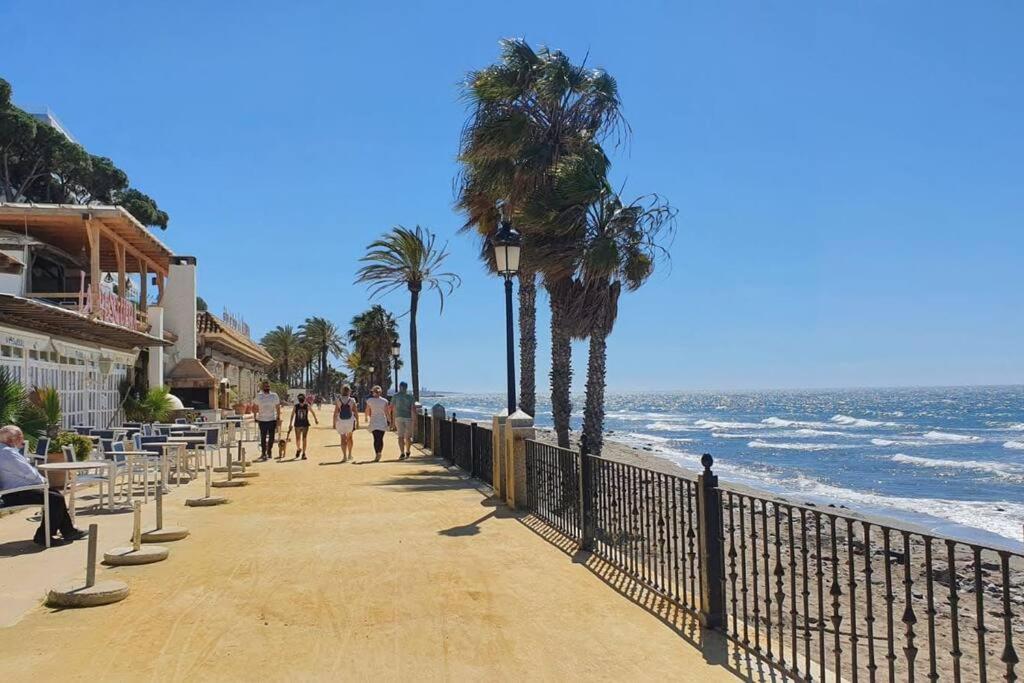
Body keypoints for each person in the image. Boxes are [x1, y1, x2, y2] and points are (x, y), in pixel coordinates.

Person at [0, 425, 86, 547]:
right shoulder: (7, 453)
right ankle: (44, 536)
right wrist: (43, 481)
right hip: (15, 493)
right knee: (55, 498)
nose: (22, 440)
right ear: (11, 439)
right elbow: (29, 473)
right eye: (20, 437)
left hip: (17, 490)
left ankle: (68, 531)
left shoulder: (6, 451)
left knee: (55, 494)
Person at [251, 380, 281, 461]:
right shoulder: (259, 396)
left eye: (268, 387)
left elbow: (278, 407)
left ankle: (269, 450)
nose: (267, 388)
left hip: (272, 419)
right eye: (265, 387)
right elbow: (254, 406)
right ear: (262, 387)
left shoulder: (274, 395)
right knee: (263, 437)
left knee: (272, 437)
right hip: (262, 419)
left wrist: (278, 417)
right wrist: (255, 416)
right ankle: (263, 453)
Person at [286, 392, 318, 460]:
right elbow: (292, 415)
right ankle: (299, 449)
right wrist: (290, 423)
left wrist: (315, 419)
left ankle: (303, 453)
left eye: (302, 398)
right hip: (298, 424)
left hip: (304, 424)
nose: (301, 399)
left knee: (304, 438)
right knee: (298, 439)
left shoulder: (306, 406)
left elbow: (312, 412)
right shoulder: (296, 406)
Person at [390, 381, 416, 460]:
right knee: (408, 437)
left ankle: (402, 453)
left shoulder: (395, 396)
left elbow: (392, 408)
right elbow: (413, 409)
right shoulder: (410, 397)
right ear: (406, 387)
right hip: (408, 418)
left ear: (399, 387)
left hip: (398, 418)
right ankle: (408, 451)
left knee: (400, 436)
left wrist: (392, 421)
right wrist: (415, 421)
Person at [365, 385, 391, 462]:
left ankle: (377, 453)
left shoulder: (369, 400)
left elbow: (367, 410)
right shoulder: (385, 401)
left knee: (375, 439)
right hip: (382, 421)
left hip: (374, 421)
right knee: (380, 438)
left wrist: (366, 417)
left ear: (373, 392)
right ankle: (379, 452)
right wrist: (390, 420)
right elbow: (386, 412)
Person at [333, 385, 359, 462]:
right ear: (349, 391)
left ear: (341, 391)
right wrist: (357, 422)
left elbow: (335, 413)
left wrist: (334, 423)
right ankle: (350, 454)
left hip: (341, 421)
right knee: (350, 438)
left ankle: (344, 456)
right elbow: (355, 412)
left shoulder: (338, 400)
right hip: (350, 421)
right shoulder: (352, 400)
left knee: (343, 438)